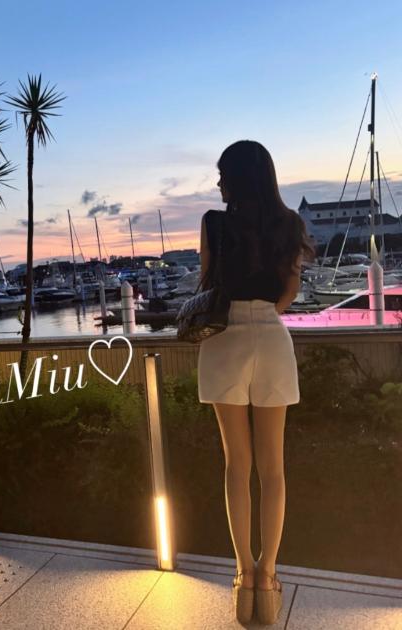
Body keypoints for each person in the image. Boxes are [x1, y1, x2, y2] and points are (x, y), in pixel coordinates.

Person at [197, 140, 316, 624]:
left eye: (222, 174)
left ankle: (243, 573)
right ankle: (267, 577)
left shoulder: (213, 223)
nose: (218, 183)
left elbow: (207, 283)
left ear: (236, 178)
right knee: (273, 469)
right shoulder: (289, 224)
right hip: (270, 337)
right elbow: (289, 292)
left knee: (236, 466)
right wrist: (263, 314)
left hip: (224, 340)